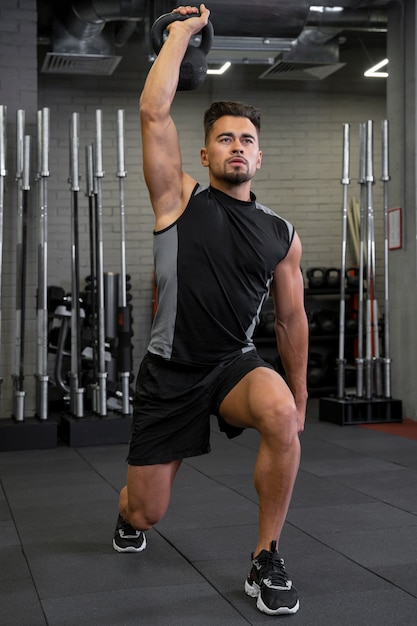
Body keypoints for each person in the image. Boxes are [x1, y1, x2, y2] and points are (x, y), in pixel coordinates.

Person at [113, 3, 308, 617]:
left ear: (259, 155)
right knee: (146, 511)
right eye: (224, 138)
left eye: (247, 139)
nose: (237, 147)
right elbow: (153, 111)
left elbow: (290, 320)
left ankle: (266, 558)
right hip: (171, 370)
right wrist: (179, 35)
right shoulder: (177, 200)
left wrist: (299, 399)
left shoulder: (281, 232)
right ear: (204, 155)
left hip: (232, 365)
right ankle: (124, 514)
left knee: (277, 411)